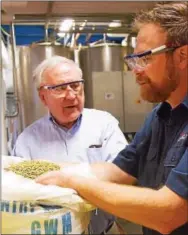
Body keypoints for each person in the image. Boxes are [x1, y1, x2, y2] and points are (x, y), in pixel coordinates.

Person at [36, 2, 188, 235]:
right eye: (134, 59)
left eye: (145, 58)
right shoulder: (160, 116)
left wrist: (75, 183)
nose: (135, 70)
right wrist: (36, 171)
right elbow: (118, 171)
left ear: (182, 56)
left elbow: (169, 213)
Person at [12, 56, 128, 234]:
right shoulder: (27, 141)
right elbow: (21, 194)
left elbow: (123, 174)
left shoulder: (104, 124)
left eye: (75, 85)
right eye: (60, 88)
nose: (71, 95)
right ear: (43, 97)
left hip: (105, 230)